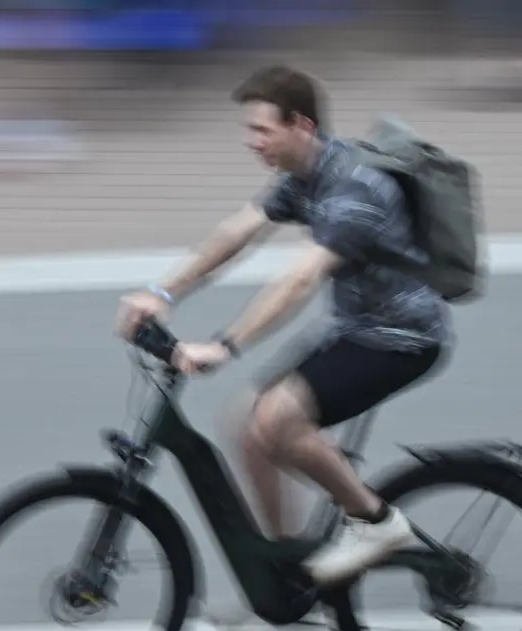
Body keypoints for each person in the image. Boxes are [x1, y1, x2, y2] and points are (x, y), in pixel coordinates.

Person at [115, 65, 450, 598]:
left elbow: (298, 280)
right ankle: (287, 572)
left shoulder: (357, 189)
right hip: (354, 328)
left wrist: (225, 346)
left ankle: (376, 521)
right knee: (247, 428)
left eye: (261, 130)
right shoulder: (304, 177)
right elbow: (236, 233)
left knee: (278, 419)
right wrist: (162, 293)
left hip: (401, 338)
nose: (252, 142)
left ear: (302, 125)